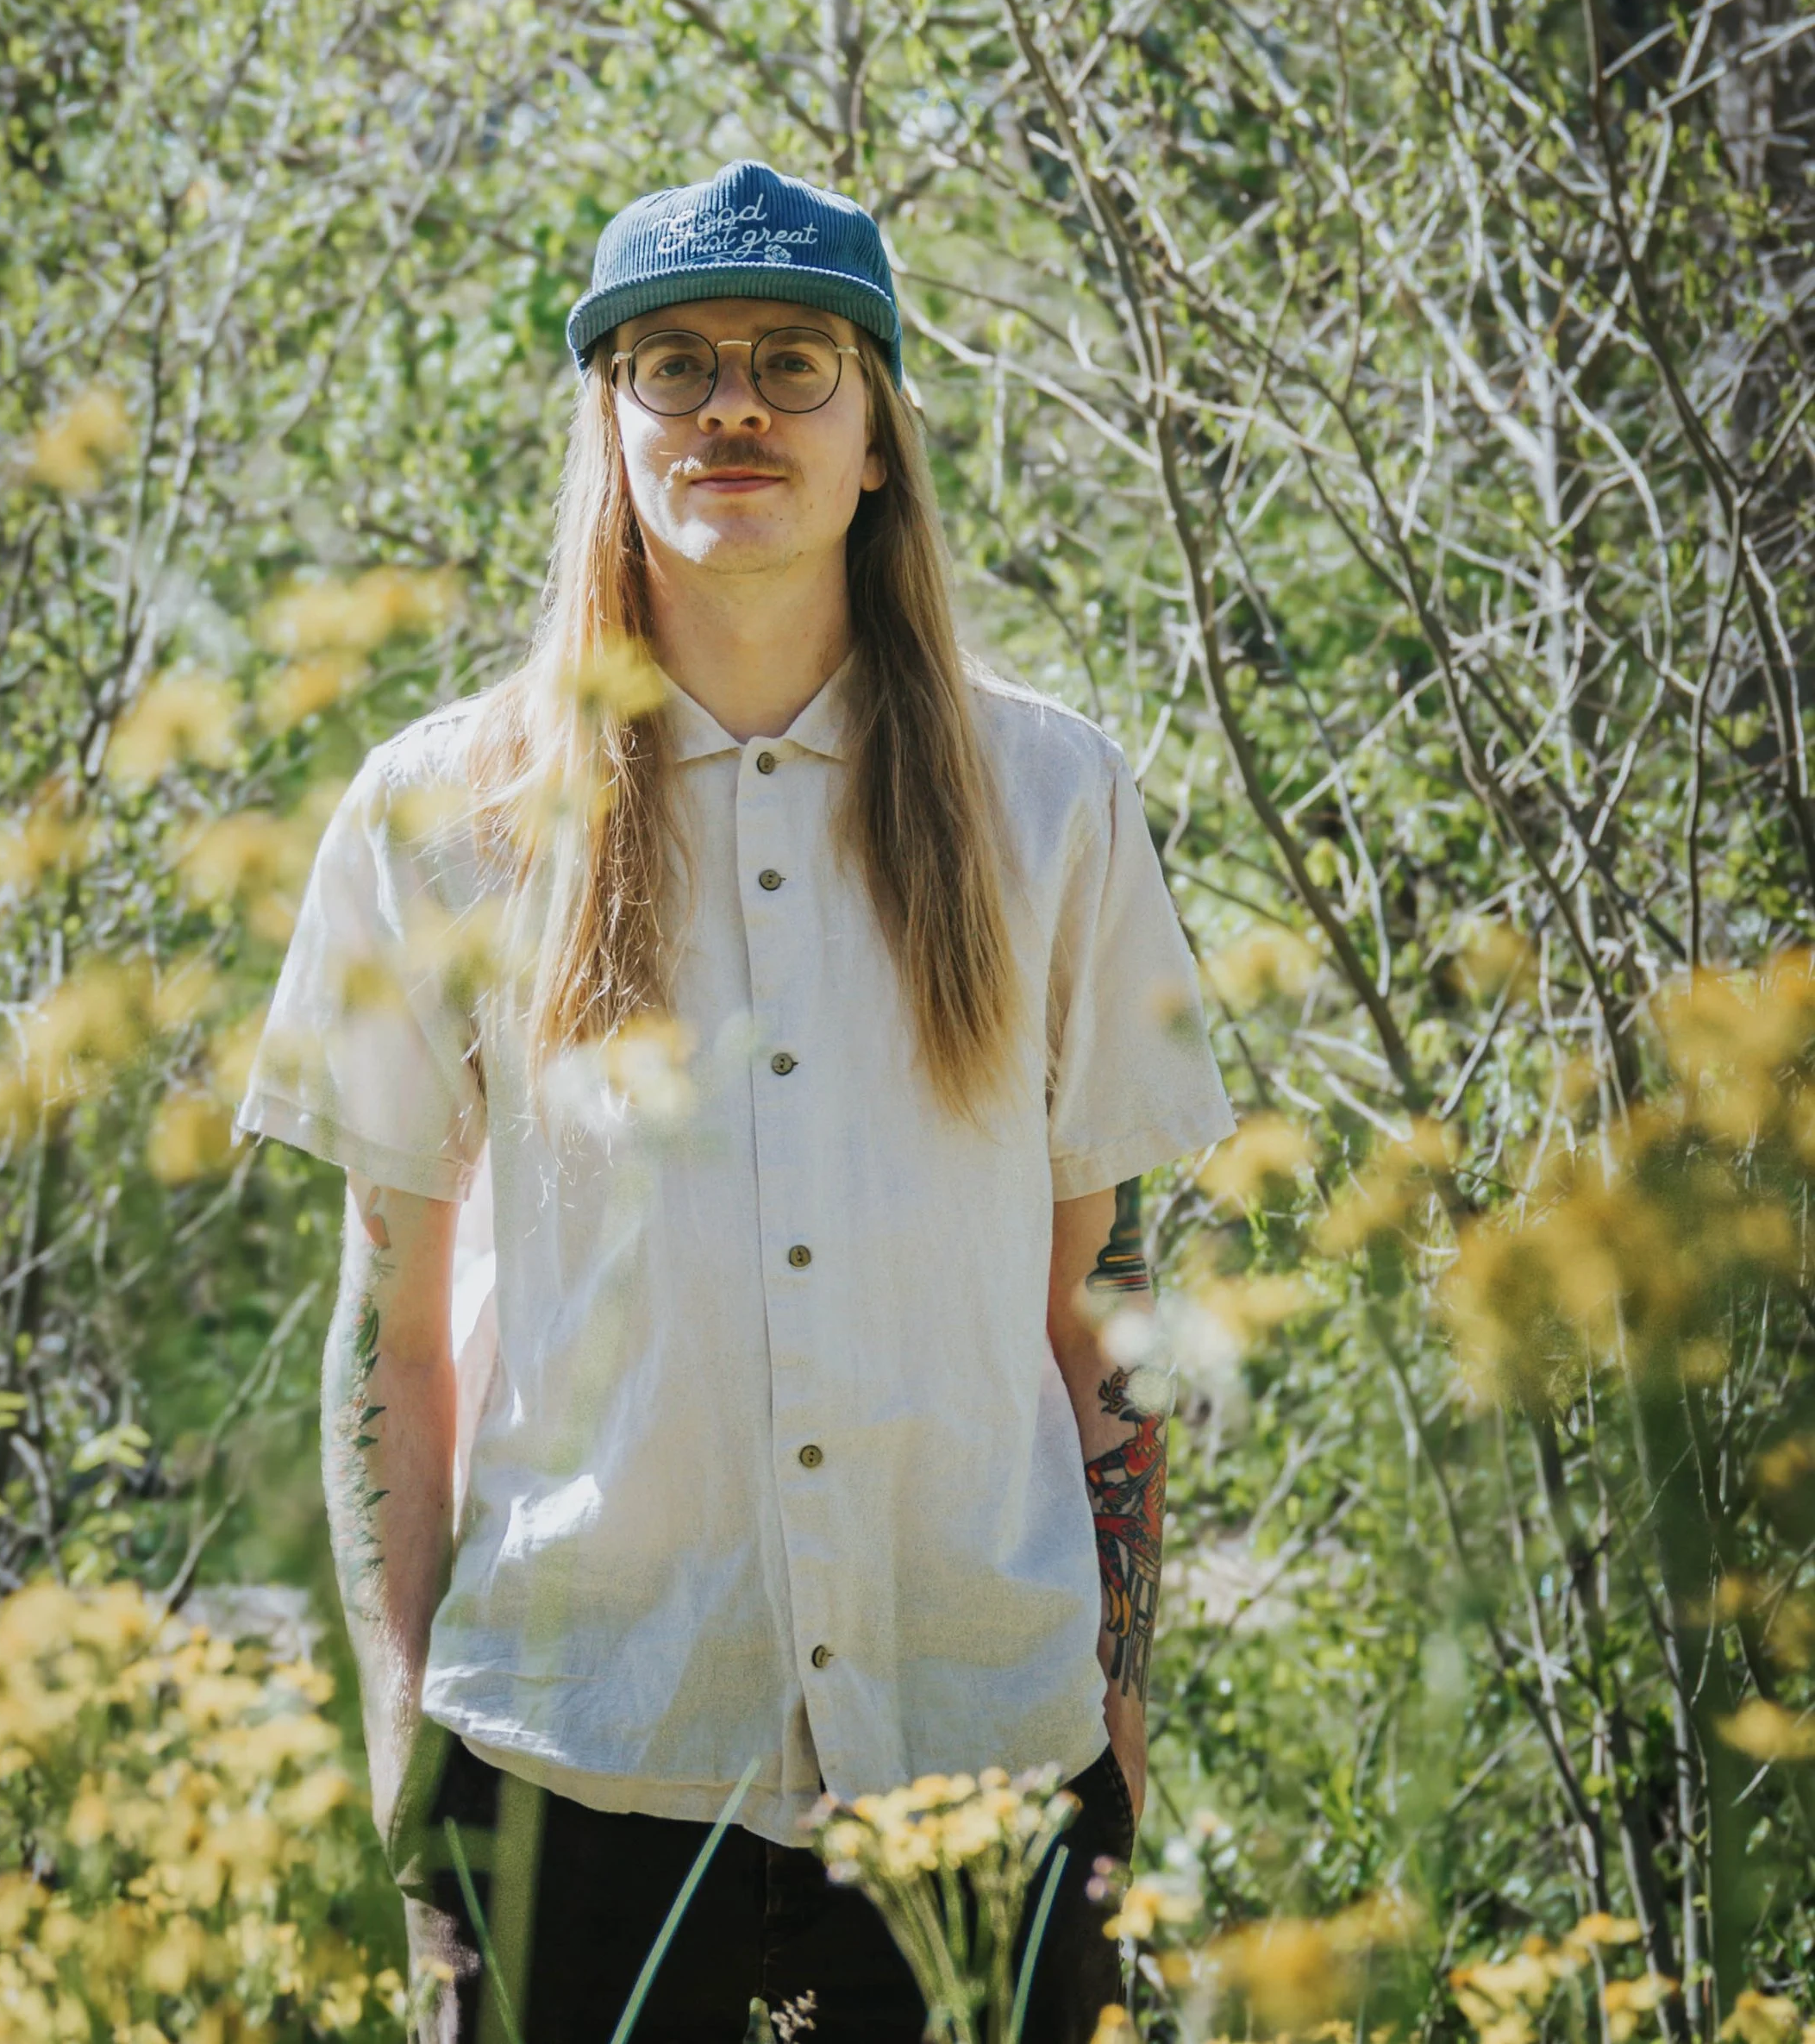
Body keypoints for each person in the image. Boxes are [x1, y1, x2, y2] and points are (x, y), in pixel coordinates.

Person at [236, 160, 1234, 2044]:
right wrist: (403, 1739)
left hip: (978, 1761)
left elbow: (1091, 1307)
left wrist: (1113, 1713)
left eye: (792, 363)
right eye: (674, 364)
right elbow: (393, 1327)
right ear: (609, 428)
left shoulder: (1054, 803)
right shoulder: (439, 818)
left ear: (877, 441)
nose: (732, 409)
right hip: (571, 1761)